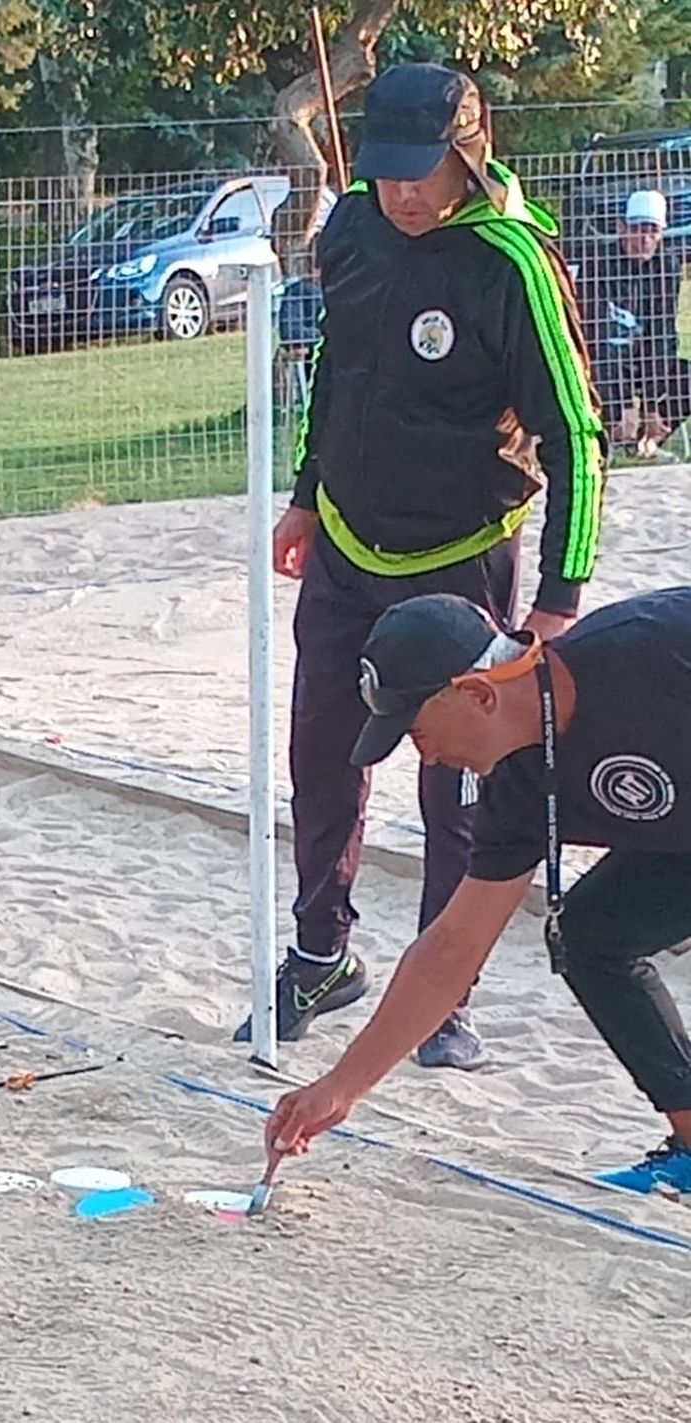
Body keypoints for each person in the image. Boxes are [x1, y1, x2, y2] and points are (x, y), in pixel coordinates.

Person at [234, 62, 606, 1070]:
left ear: (468, 155)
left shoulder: (511, 262)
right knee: (323, 755)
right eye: (388, 170)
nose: (402, 192)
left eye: (424, 171)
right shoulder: (351, 228)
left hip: (461, 560)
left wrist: (558, 601)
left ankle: (440, 995)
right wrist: (308, 493)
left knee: (458, 781)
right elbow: (336, 371)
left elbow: (576, 437)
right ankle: (320, 951)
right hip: (348, 545)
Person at [267, 587, 691, 1196]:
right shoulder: (517, 786)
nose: (428, 757)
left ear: (477, 693)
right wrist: (339, 1088)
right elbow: (450, 951)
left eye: (415, 733)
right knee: (588, 936)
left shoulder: (648, 654)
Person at [574, 189, 690, 457]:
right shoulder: (598, 264)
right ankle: (615, 434)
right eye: (638, 229)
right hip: (603, 359)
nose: (645, 240)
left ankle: (650, 436)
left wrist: (652, 403)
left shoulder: (666, 266)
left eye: (653, 231)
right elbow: (597, 335)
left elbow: (661, 334)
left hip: (642, 355)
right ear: (621, 228)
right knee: (596, 370)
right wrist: (624, 401)